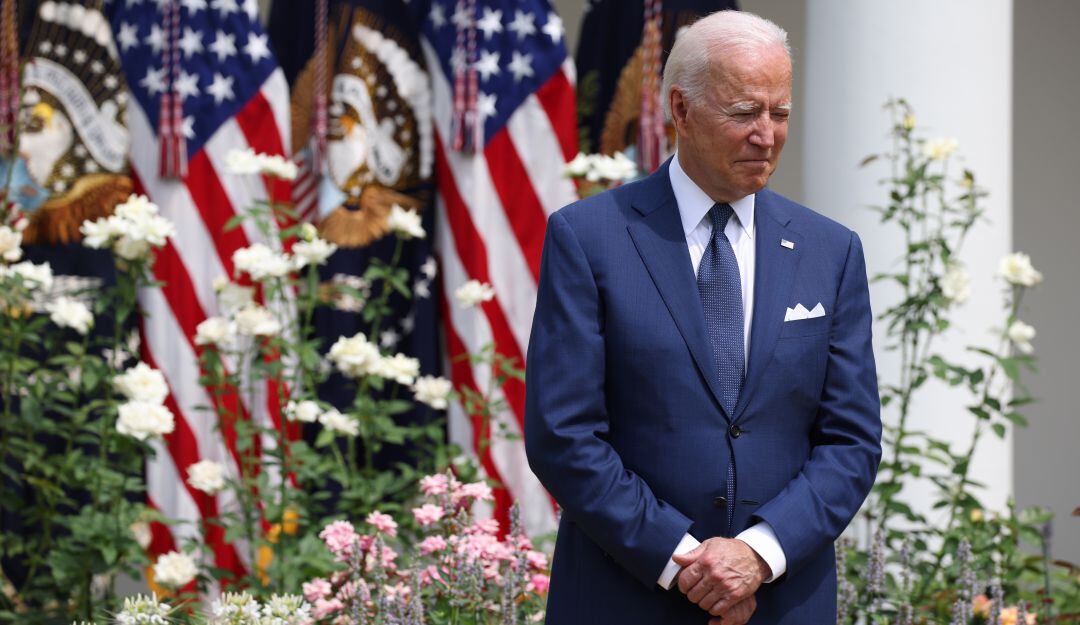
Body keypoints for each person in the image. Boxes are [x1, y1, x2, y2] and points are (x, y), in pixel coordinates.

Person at [524, 10, 882, 625]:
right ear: (681, 111)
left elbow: (850, 440)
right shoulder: (588, 238)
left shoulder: (832, 250)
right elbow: (564, 435)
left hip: (780, 599)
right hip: (625, 597)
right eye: (744, 113)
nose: (766, 135)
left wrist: (758, 555)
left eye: (781, 113)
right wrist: (687, 561)